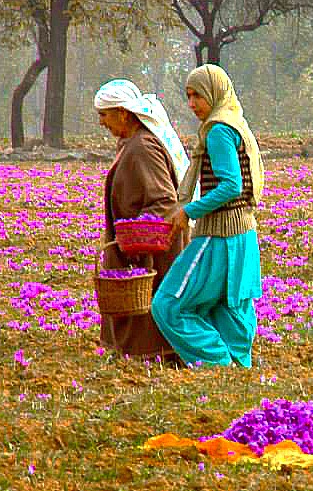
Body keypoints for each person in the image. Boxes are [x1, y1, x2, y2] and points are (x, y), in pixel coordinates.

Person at [152, 64, 264, 367]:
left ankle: (217, 362)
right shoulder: (236, 123)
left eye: (197, 96)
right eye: (188, 96)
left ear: (214, 94)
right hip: (243, 235)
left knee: (168, 305)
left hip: (219, 234)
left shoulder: (217, 132)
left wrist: (188, 210)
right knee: (229, 306)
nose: (192, 104)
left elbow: (231, 185)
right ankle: (238, 366)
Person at [94, 79, 190, 362]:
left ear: (123, 113)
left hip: (149, 248)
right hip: (137, 244)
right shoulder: (132, 143)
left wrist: (135, 237)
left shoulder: (143, 147)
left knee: (150, 305)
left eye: (104, 114)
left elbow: (164, 201)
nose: (101, 122)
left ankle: (157, 355)